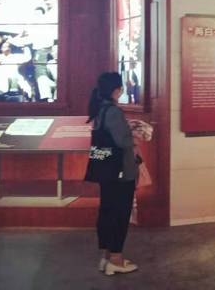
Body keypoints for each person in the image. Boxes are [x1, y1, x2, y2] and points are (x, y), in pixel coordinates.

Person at [86, 72, 138, 276]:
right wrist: (134, 133)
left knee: (107, 210)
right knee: (120, 213)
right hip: (120, 171)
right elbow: (122, 141)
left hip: (106, 170)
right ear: (117, 90)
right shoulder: (114, 111)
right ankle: (116, 259)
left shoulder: (100, 109)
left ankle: (106, 257)